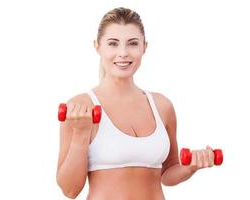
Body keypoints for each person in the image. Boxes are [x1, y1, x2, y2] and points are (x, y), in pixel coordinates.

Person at [56, 7, 216, 200]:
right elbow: (70, 190)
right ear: (97, 46)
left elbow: (167, 173)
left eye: (132, 43)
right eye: (113, 44)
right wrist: (80, 134)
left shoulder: (162, 105)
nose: (123, 53)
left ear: (144, 47)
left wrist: (190, 167)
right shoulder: (79, 107)